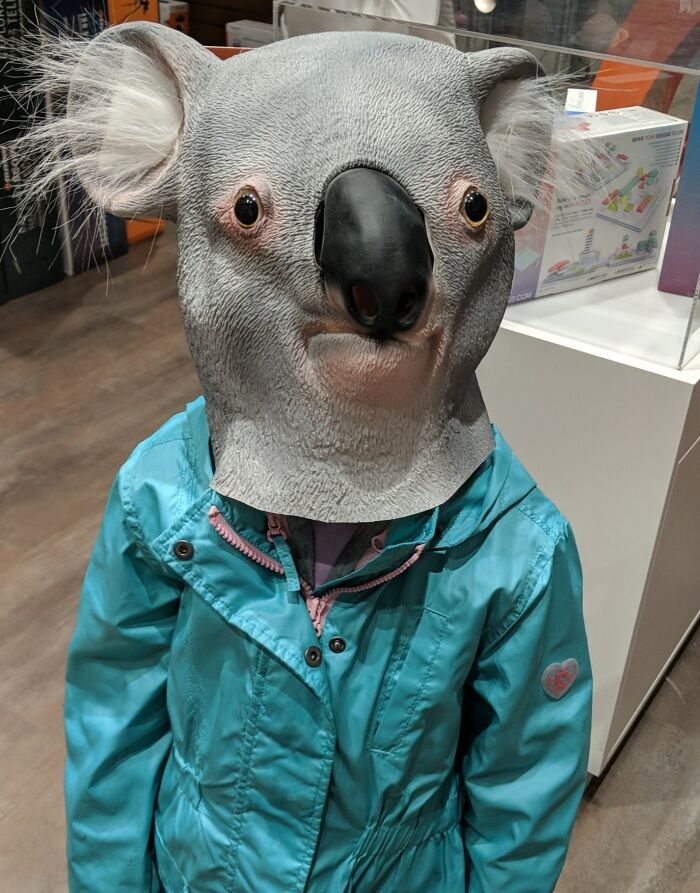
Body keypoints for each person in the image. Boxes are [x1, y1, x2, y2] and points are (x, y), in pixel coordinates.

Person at [25, 20, 592, 892]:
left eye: (469, 208)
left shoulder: (515, 551)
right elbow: (114, 730)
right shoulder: (159, 500)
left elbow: (523, 781)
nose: (382, 276)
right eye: (250, 212)